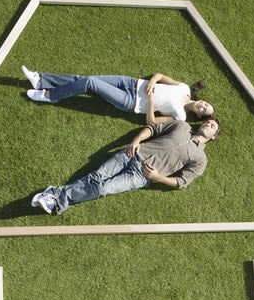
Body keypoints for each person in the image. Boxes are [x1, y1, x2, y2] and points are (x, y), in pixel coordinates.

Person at [31, 117, 221, 215]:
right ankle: (56, 200)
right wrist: (136, 140)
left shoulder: (201, 159)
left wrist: (158, 178)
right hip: (132, 153)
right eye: (208, 122)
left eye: (212, 126)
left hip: (141, 176)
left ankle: (56, 196)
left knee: (103, 188)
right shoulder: (181, 126)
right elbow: (153, 128)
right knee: (95, 177)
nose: (208, 124)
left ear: (212, 137)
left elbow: (182, 182)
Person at [21, 67, 215, 121]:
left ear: (198, 115)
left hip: (131, 102)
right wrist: (153, 82)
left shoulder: (180, 116)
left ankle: (50, 96)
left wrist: (152, 100)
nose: (203, 106)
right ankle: (40, 80)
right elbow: (161, 75)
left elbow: (152, 122)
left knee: (89, 82)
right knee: (84, 78)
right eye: (206, 104)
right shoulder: (184, 89)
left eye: (204, 111)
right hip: (132, 82)